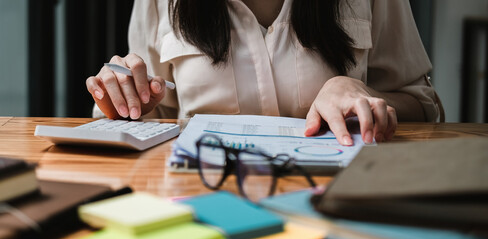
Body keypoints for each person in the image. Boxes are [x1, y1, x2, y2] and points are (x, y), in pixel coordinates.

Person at [86, 0, 443, 146]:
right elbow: (153, 111)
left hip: (339, 199)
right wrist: (124, 100)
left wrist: (355, 89)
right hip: (199, 196)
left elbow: (424, 104)